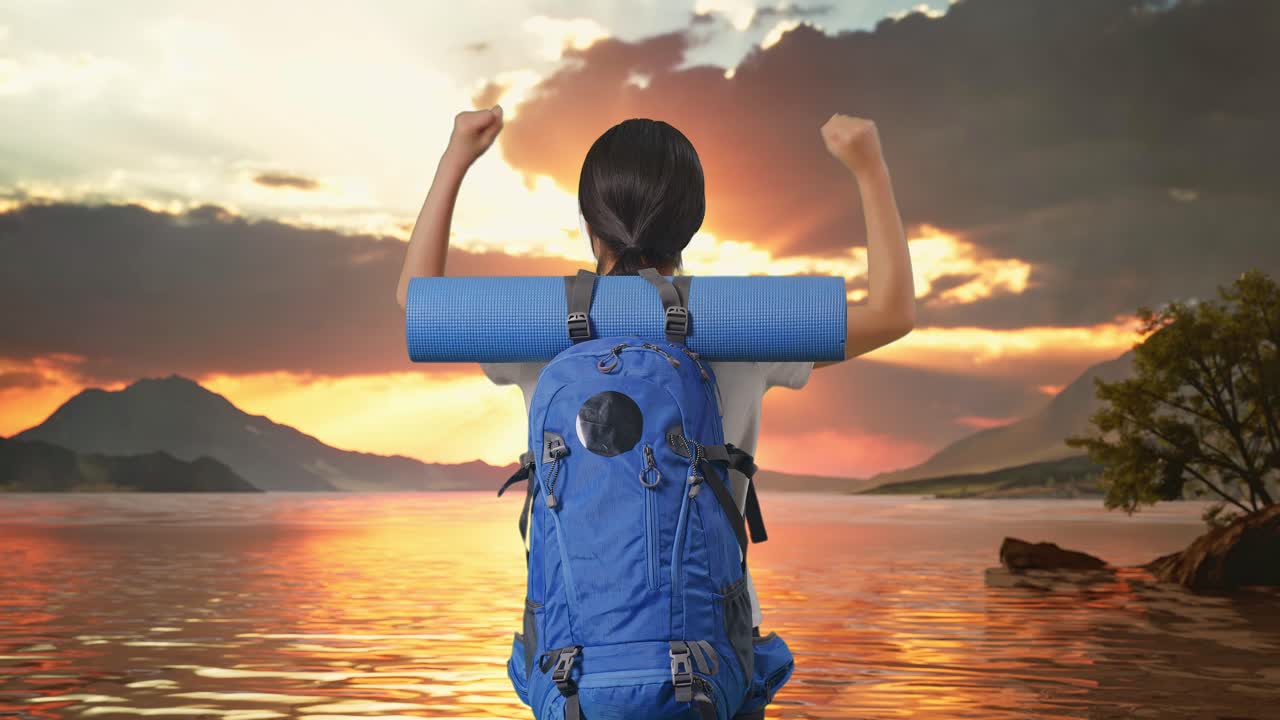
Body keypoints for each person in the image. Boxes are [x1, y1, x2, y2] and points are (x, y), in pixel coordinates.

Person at [395, 106, 915, 638]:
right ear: (692, 223)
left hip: (578, 652)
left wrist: (457, 154)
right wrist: (869, 167)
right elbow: (893, 314)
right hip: (714, 649)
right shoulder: (743, 328)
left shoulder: (538, 332)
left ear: (589, 222)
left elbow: (418, 307)